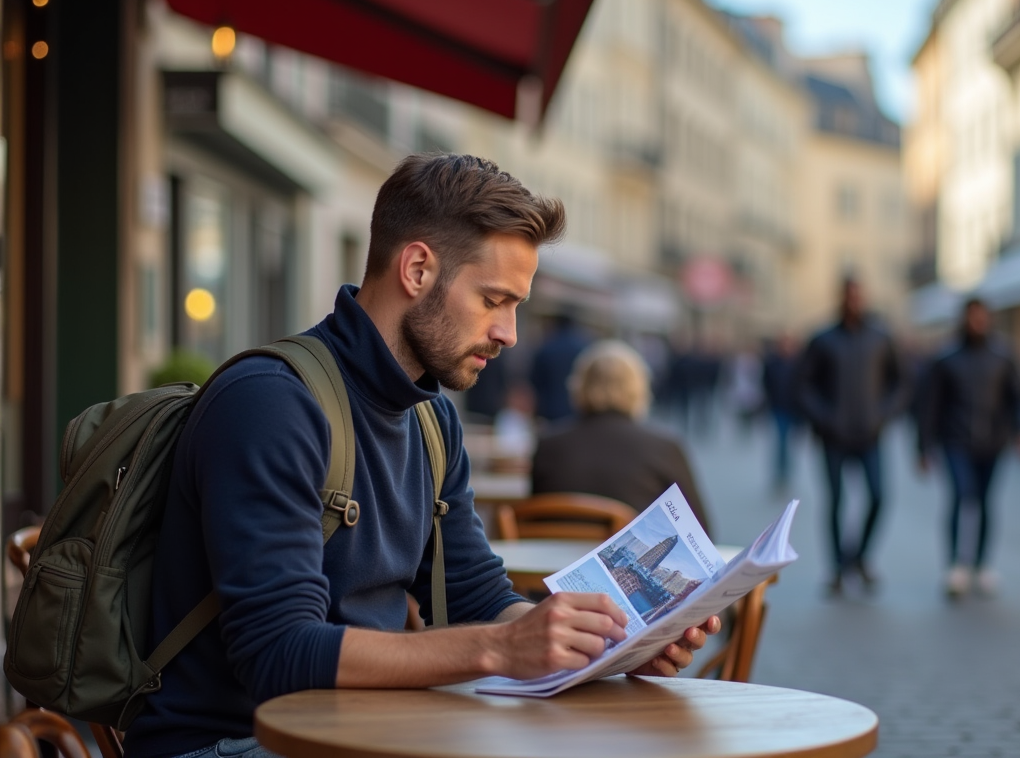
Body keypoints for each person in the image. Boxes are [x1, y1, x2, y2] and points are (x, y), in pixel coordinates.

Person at [123, 155, 719, 758]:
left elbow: (478, 598)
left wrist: (604, 645)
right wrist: (499, 649)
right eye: (493, 300)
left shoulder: (432, 420)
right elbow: (279, 655)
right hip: (229, 742)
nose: (509, 333)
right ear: (416, 269)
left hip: (370, 729)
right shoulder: (270, 403)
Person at [917, 298, 1020, 598]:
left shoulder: (1002, 355)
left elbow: (1017, 396)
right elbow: (929, 405)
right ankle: (956, 565)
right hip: (956, 440)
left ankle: (982, 564)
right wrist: (923, 447)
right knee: (961, 496)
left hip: (992, 441)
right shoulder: (946, 358)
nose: (977, 322)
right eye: (972, 317)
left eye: (982, 317)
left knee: (985, 501)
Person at [796, 278, 906, 595]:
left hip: (870, 435)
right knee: (835, 502)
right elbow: (803, 385)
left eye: (858, 296)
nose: (854, 301)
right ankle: (836, 569)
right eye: (849, 296)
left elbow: (900, 382)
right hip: (833, 437)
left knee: (879, 496)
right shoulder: (823, 340)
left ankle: (858, 557)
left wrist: (883, 414)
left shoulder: (881, 338)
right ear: (841, 299)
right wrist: (824, 418)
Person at [530, 340, 711, 533]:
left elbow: (536, 517)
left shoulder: (548, 444)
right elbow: (699, 531)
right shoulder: (664, 448)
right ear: (639, 389)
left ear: (578, 386)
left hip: (558, 552)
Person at [529, 310, 591, 424]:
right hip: (576, 411)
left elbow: (534, 381)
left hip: (549, 411)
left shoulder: (546, 347)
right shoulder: (584, 348)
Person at [761, 334, 803, 494]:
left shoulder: (798, 364)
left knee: (789, 444)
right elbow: (766, 384)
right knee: (781, 442)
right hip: (778, 408)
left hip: (794, 409)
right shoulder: (772, 363)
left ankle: (786, 473)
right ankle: (781, 476)